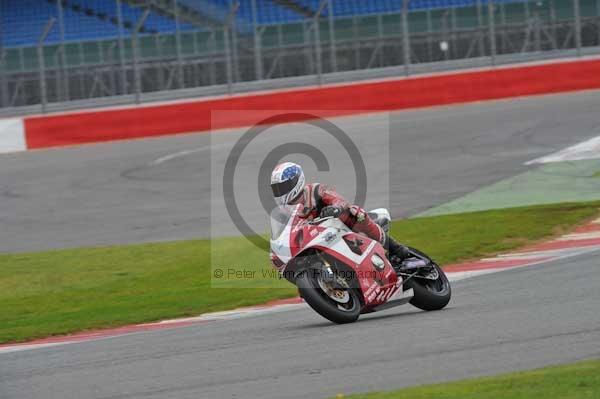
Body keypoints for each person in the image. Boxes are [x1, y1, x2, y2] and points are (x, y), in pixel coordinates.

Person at [270, 161, 414, 267]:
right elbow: (284, 233)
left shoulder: (314, 190)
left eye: (282, 187)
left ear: (296, 181)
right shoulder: (283, 212)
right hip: (315, 241)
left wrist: (336, 208)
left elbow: (338, 200)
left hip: (339, 228)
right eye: (277, 189)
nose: (280, 192)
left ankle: (396, 248)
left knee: (355, 213)